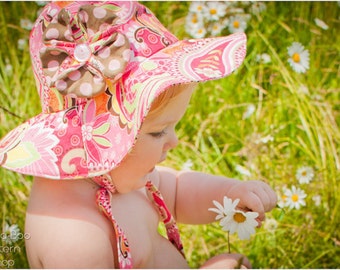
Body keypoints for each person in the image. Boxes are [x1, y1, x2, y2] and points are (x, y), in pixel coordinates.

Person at [0, 1, 277, 268]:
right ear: (103, 138)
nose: (174, 141)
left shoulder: (121, 178)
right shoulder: (77, 239)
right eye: (158, 132)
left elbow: (178, 192)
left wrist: (229, 194)